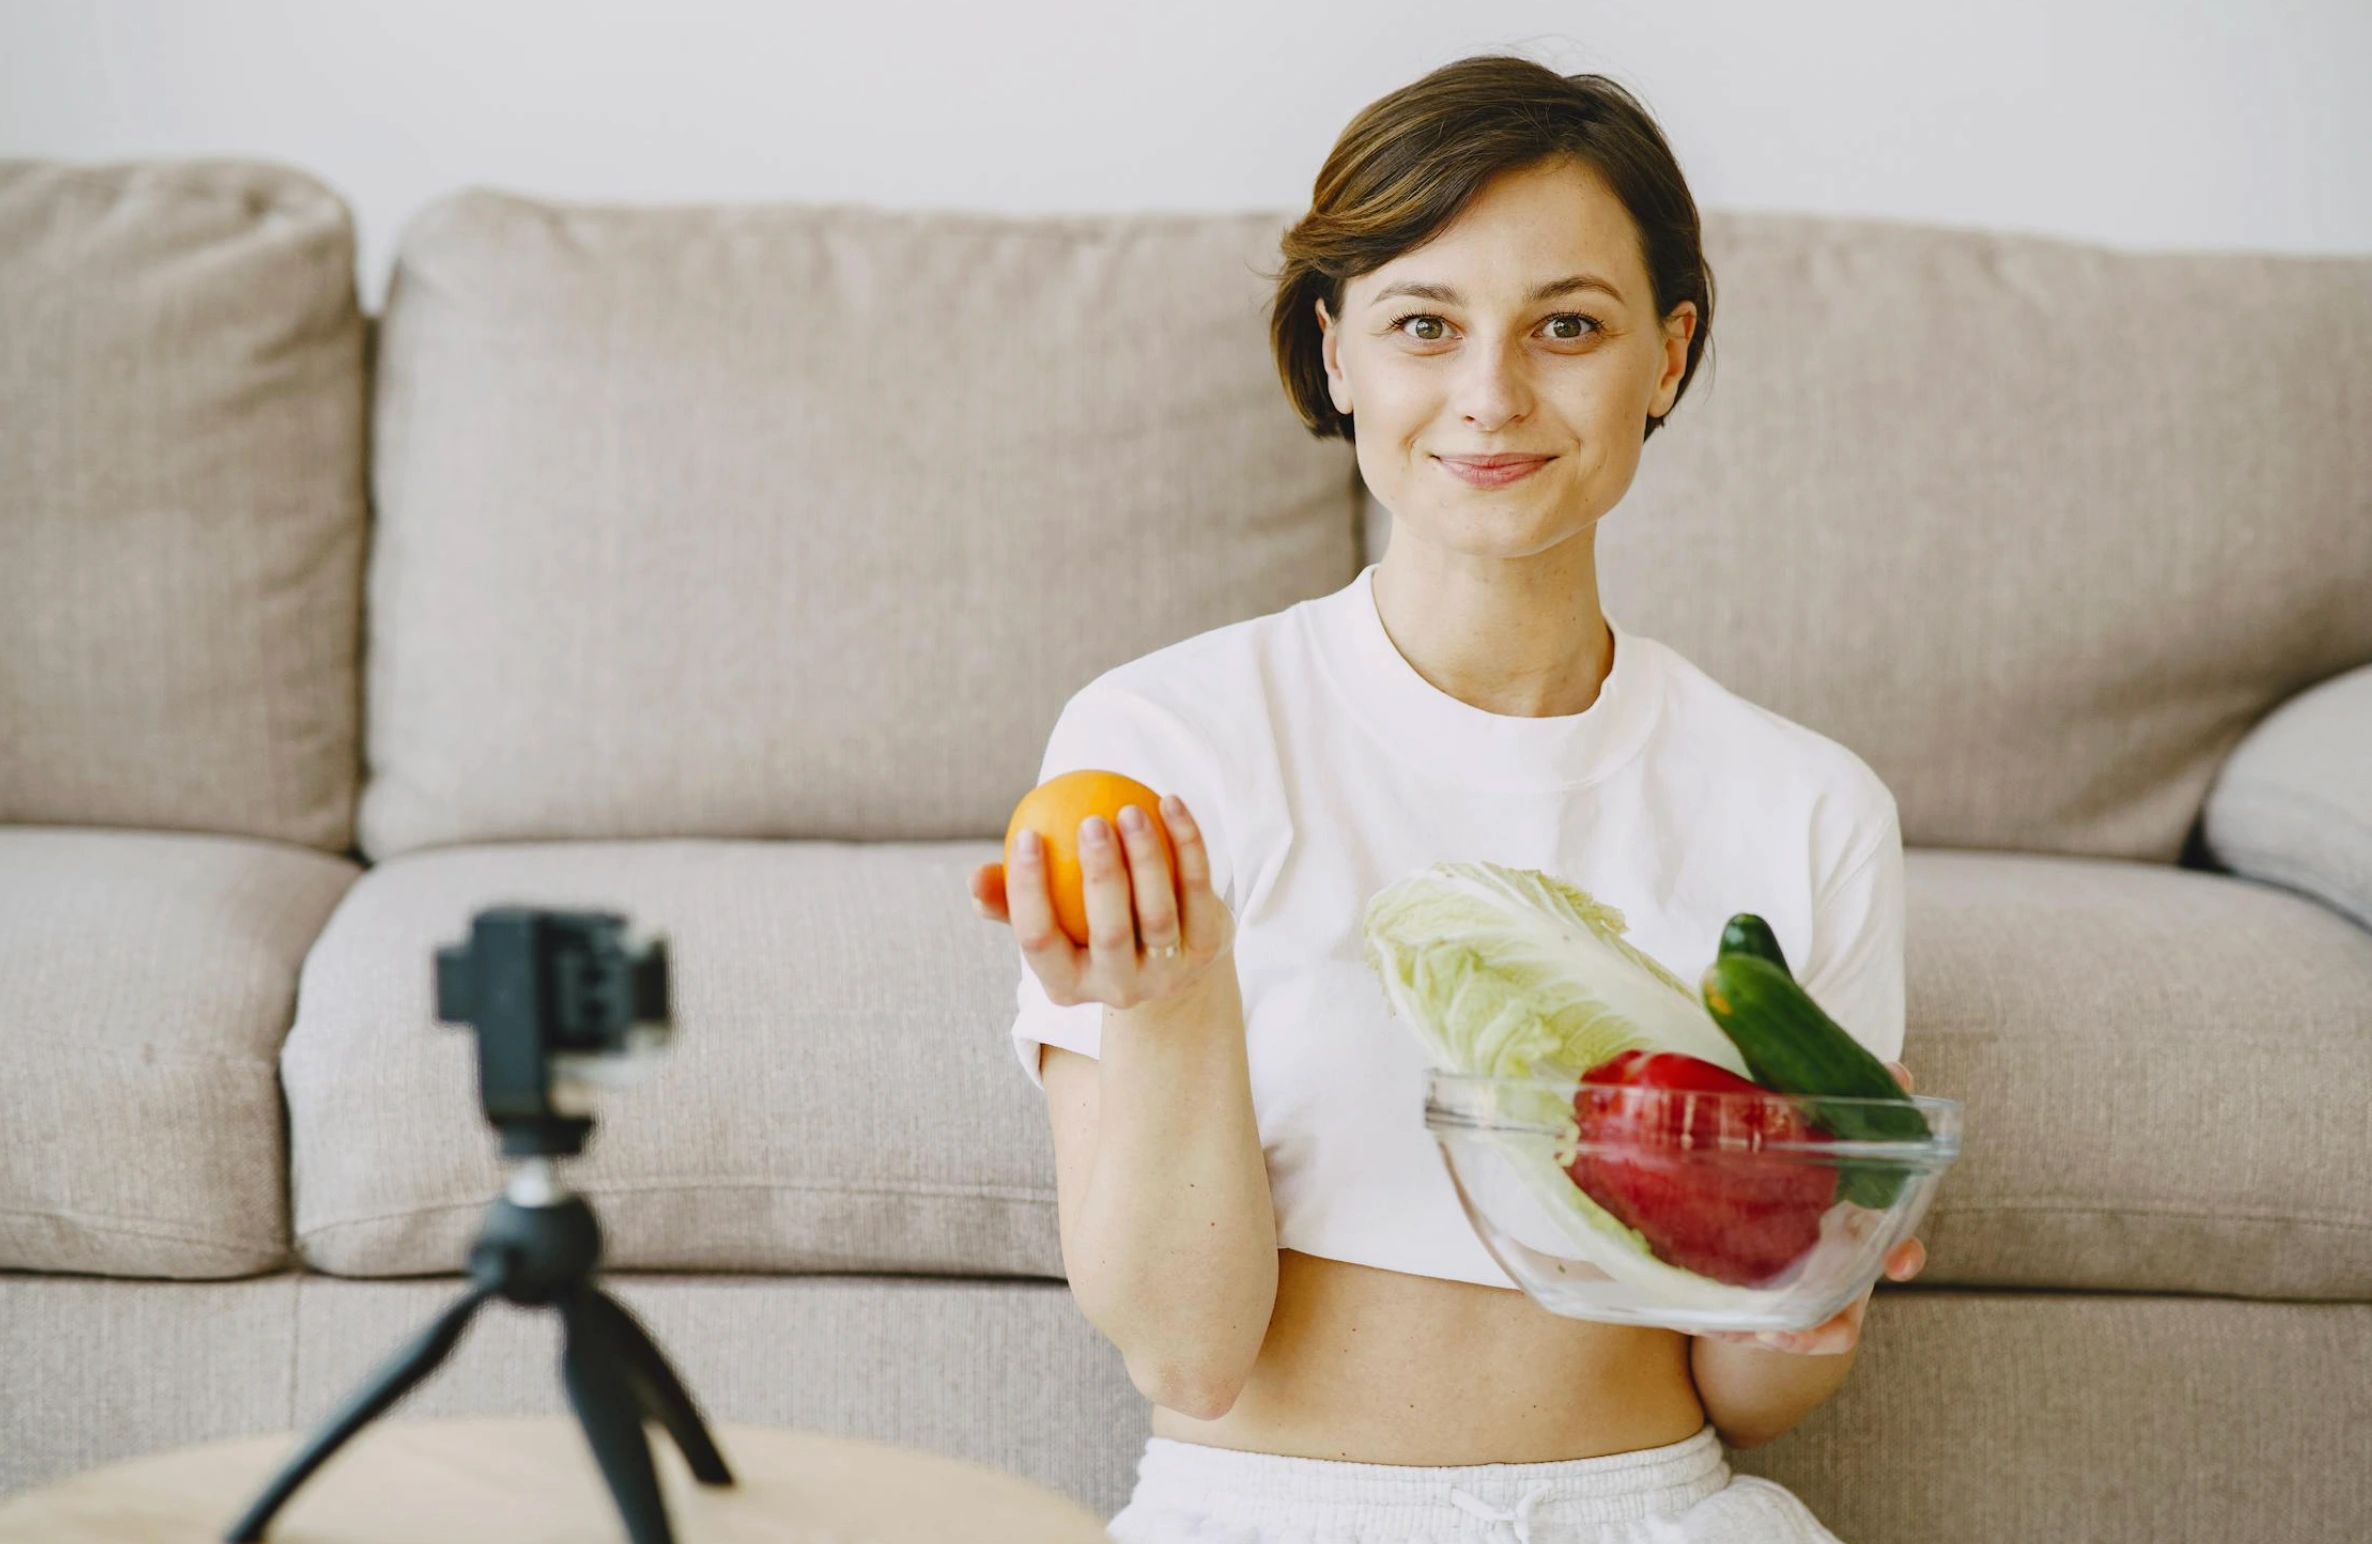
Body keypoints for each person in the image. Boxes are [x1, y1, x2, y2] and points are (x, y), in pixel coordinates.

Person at [969, 52, 1925, 1544]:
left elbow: (1748, 1392)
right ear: (1338, 355)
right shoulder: (1164, 740)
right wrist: (1173, 1002)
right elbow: (1186, 1354)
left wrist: (1816, 1291)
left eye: (1568, 326)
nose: (1493, 397)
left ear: (1666, 357)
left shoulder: (1808, 807)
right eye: (1425, 324)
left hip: (1657, 1512)